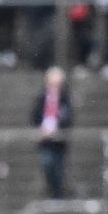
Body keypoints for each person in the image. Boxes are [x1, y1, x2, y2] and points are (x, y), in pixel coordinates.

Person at [32, 66, 72, 199]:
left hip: (59, 140)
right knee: (47, 164)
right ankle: (51, 191)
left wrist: (58, 128)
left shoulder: (64, 99)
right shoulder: (41, 98)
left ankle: (58, 194)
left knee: (59, 167)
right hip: (45, 140)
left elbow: (68, 118)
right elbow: (35, 115)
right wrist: (40, 129)